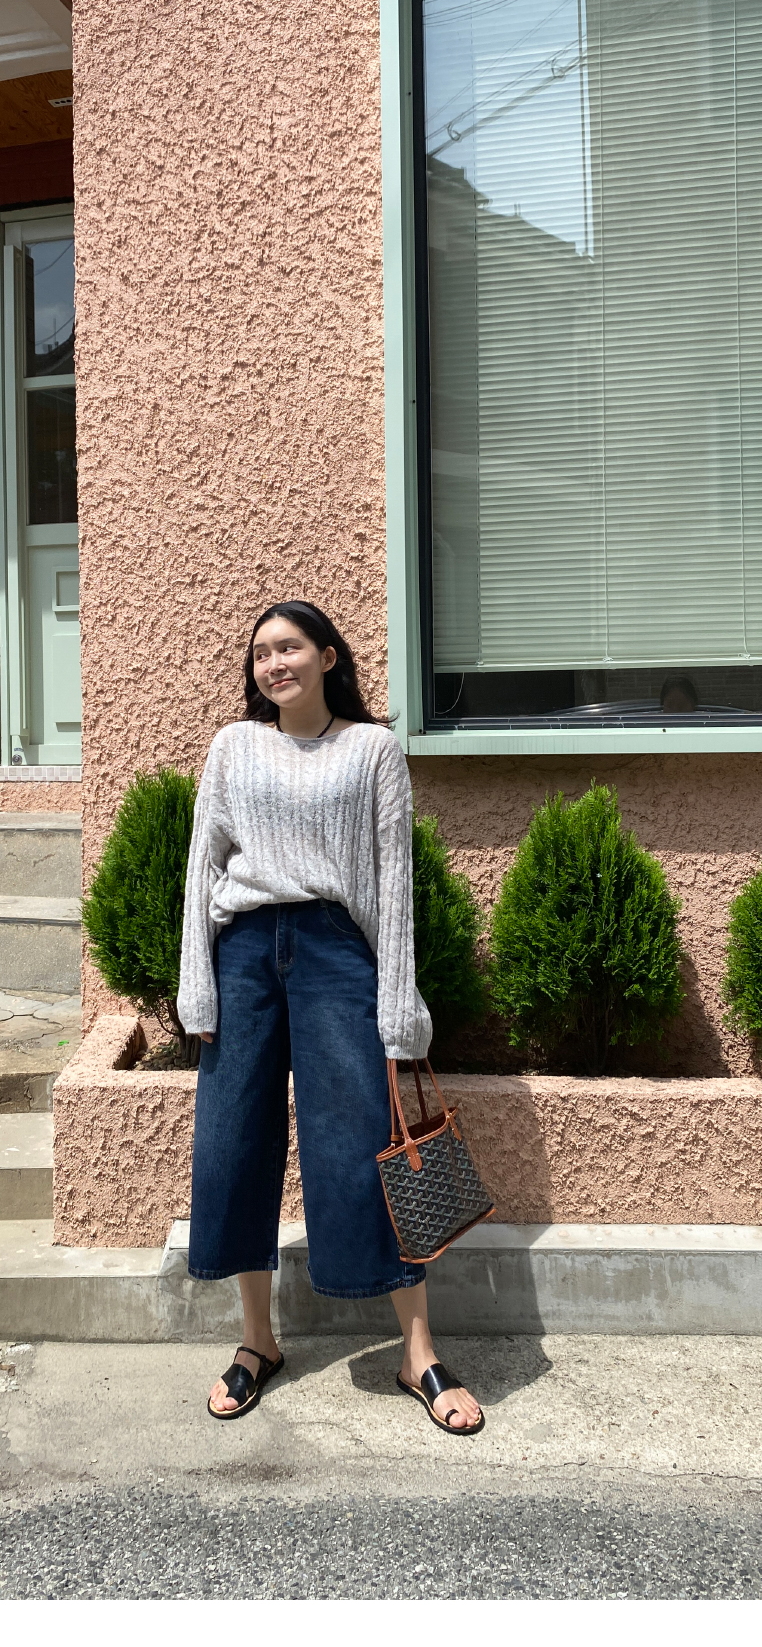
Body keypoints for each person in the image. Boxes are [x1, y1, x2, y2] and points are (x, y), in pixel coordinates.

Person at [177, 600, 483, 1435]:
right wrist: (196, 983)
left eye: (289, 647)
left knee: (362, 1145)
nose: (274, 664)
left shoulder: (372, 749)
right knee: (233, 1141)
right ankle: (257, 1342)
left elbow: (393, 879)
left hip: (335, 949)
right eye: (260, 653)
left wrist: (399, 998)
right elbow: (204, 864)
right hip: (244, 951)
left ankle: (417, 1352)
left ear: (328, 656)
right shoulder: (233, 747)